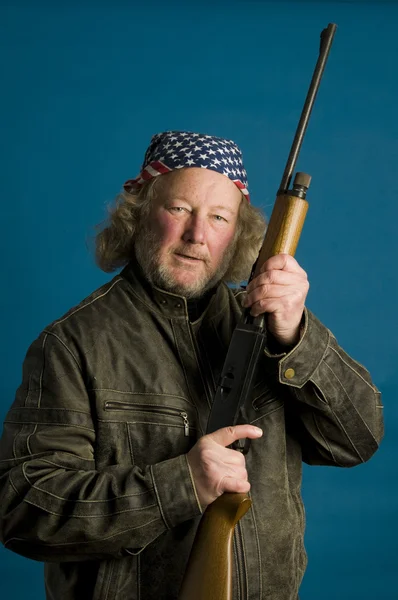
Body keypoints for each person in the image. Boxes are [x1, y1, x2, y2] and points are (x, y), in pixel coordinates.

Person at [0, 131, 383, 600]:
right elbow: (24, 509)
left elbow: (358, 440)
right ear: (138, 214)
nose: (197, 235)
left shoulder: (274, 328)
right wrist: (181, 484)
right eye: (179, 209)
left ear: (237, 235)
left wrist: (297, 337)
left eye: (218, 217)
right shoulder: (74, 344)